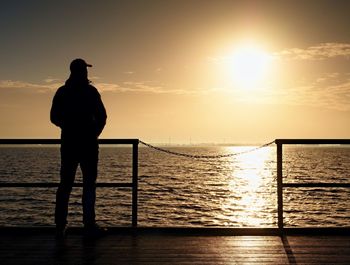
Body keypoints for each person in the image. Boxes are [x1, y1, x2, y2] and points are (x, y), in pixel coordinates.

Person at [50, 58, 107, 238]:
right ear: (82, 72)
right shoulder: (91, 92)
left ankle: (60, 226)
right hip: (88, 145)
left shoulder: (63, 92)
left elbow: (53, 117)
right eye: (85, 70)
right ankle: (88, 225)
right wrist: (93, 133)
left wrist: (67, 127)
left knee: (65, 185)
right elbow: (103, 116)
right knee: (89, 185)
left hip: (69, 144)